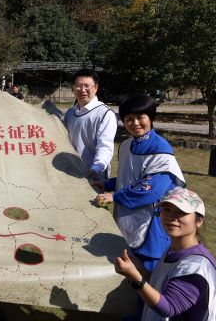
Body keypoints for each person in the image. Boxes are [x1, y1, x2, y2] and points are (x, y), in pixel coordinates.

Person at [96, 94, 186, 274]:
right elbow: (129, 177)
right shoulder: (126, 145)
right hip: (127, 215)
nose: (135, 123)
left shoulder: (160, 149)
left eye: (140, 117)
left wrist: (115, 196)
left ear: (150, 118)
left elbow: (151, 189)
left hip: (152, 222)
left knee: (150, 272)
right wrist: (106, 184)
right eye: (129, 119)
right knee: (127, 265)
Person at [114, 187, 215, 321]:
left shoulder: (196, 266)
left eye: (181, 211)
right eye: (167, 209)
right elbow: (164, 286)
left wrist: (136, 279)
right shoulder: (173, 249)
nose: (171, 217)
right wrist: (141, 271)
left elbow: (169, 308)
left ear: (199, 221)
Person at [64, 68, 117, 185]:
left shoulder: (104, 113)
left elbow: (105, 146)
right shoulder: (70, 113)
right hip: (70, 170)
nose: (82, 90)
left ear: (96, 88)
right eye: (78, 86)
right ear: (73, 88)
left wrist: (96, 167)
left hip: (93, 174)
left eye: (87, 86)